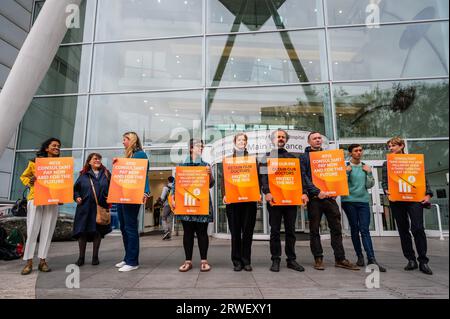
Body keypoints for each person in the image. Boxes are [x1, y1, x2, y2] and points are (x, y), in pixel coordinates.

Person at [300, 132, 359, 271]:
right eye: (314, 138)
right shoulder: (304, 157)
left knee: (336, 229)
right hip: (315, 199)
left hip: (330, 198)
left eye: (319, 138)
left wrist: (336, 189)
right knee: (314, 230)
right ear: (309, 142)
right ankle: (318, 258)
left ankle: (340, 258)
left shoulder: (329, 156)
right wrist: (316, 192)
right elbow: (304, 177)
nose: (318, 140)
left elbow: (334, 174)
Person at [382, 137, 433, 275]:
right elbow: (385, 182)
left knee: (418, 228)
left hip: (414, 199)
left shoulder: (413, 160)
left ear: (402, 146)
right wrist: (386, 190)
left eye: (393, 145)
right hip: (397, 200)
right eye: (389, 146)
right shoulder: (386, 163)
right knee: (403, 230)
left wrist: (428, 194)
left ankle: (423, 261)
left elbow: (423, 178)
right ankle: (411, 259)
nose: (391, 148)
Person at [259, 129, 308, 272]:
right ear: (272, 140)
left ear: (286, 140)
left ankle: (291, 260)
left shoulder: (293, 158)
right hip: (274, 200)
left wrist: (304, 193)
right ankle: (275, 260)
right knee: (274, 231)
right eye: (278, 137)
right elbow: (263, 178)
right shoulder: (265, 158)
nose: (280, 139)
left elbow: (300, 178)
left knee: (291, 231)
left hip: (291, 200)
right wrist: (266, 192)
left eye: (282, 137)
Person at [20, 138, 62, 275]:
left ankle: (43, 261)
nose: (57, 147)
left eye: (58, 146)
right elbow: (24, 177)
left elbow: (62, 184)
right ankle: (29, 262)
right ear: (46, 148)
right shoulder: (34, 162)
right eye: (54, 145)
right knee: (32, 229)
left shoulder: (60, 165)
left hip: (52, 200)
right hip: (36, 198)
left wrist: (61, 197)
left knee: (48, 230)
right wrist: (30, 181)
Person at [341, 144, 386, 272]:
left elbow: (369, 185)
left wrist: (370, 172)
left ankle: (371, 259)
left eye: (360, 150)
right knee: (355, 228)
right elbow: (342, 184)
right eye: (356, 151)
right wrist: (347, 173)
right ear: (350, 153)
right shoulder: (346, 167)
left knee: (364, 229)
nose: (359, 152)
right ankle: (359, 257)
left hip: (363, 201)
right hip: (349, 201)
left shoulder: (365, 167)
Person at [172, 139, 215, 272]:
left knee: (202, 233)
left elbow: (210, 184)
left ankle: (204, 261)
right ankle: (188, 261)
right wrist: (173, 198)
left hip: (201, 203)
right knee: (188, 233)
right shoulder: (182, 165)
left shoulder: (206, 165)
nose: (200, 148)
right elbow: (176, 184)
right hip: (185, 203)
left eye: (202, 146)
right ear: (191, 148)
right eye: (198, 146)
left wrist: (210, 174)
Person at [114, 132, 150, 272]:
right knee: (123, 226)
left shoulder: (140, 154)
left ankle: (133, 261)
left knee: (130, 227)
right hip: (122, 194)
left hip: (133, 195)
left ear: (132, 140)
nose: (123, 142)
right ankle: (127, 257)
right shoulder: (128, 156)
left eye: (125, 140)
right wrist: (117, 165)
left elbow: (144, 173)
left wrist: (146, 191)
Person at [223, 133, 258, 272]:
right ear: (234, 142)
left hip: (249, 201)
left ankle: (246, 260)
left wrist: (258, 193)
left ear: (246, 143)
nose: (241, 141)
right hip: (233, 202)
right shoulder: (228, 159)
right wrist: (224, 194)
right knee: (235, 232)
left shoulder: (252, 159)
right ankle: (236, 261)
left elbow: (257, 178)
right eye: (239, 140)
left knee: (248, 232)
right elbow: (223, 179)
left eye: (244, 140)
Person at [73, 153, 112, 266]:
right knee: (82, 233)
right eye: (95, 158)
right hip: (84, 209)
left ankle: (95, 257)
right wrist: (77, 197)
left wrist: (110, 197)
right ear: (89, 161)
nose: (97, 160)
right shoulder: (83, 175)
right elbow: (76, 189)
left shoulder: (106, 174)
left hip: (99, 208)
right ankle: (81, 258)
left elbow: (113, 188)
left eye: (99, 158)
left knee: (97, 233)